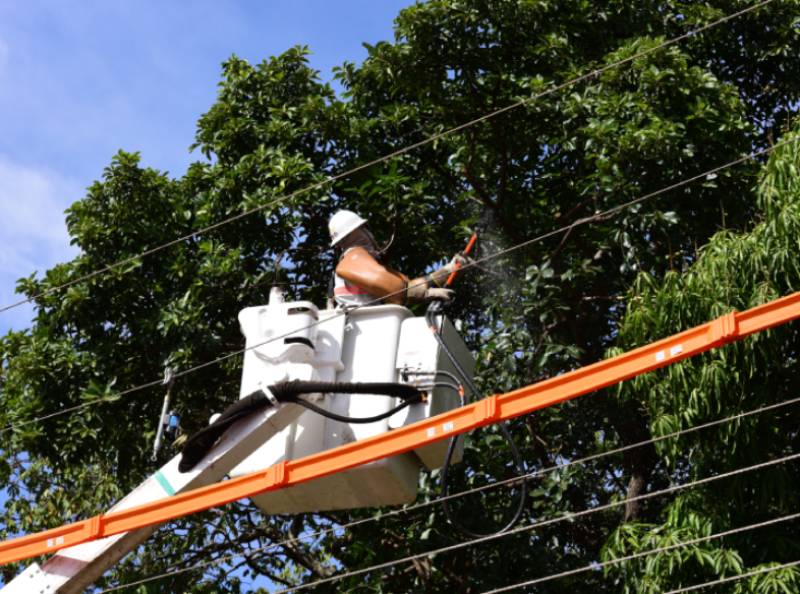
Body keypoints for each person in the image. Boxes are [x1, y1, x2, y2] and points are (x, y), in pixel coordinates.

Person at [328, 210, 462, 308]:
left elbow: (407, 286)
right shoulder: (354, 256)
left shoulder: (361, 262)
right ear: (361, 229)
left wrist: (448, 270)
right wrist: (425, 294)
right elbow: (399, 290)